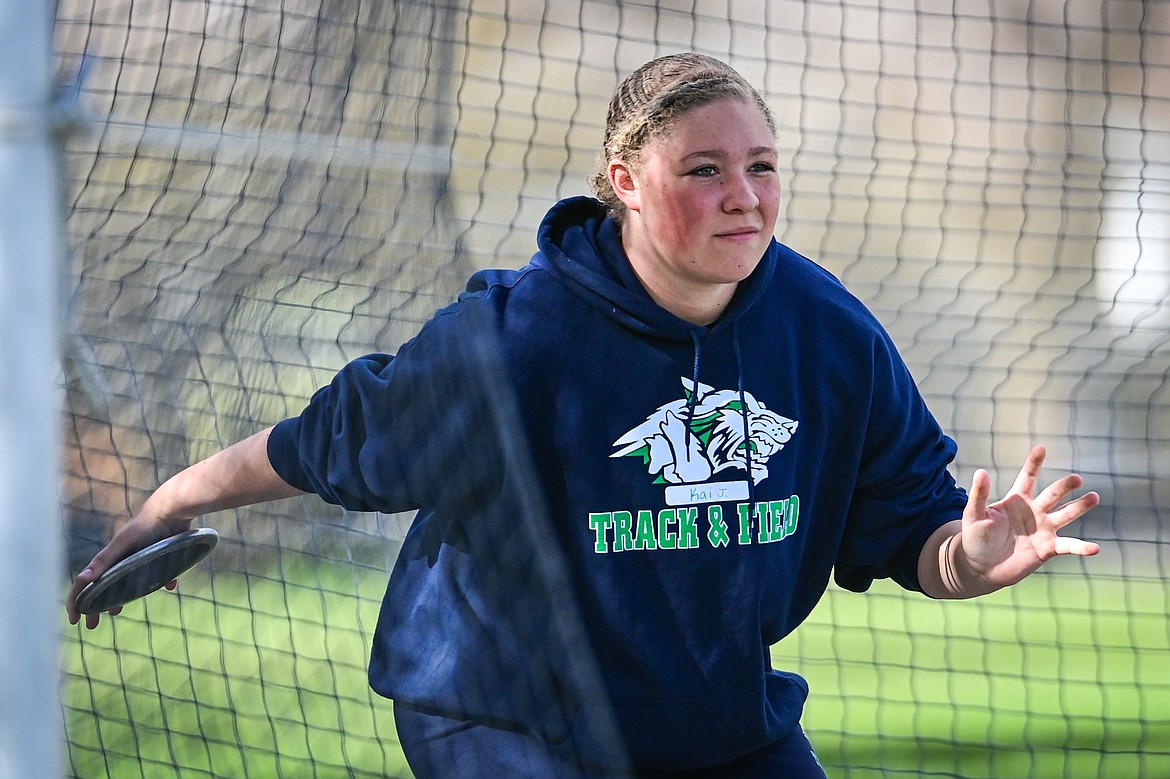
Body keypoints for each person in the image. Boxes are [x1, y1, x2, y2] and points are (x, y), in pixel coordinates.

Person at [67, 53, 1101, 777]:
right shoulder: (520, 338)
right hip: (501, 705)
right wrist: (172, 496)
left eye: (761, 166)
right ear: (627, 183)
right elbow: (329, 438)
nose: (744, 194)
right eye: (704, 169)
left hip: (710, 720)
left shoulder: (825, 333)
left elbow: (907, 525)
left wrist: (967, 555)